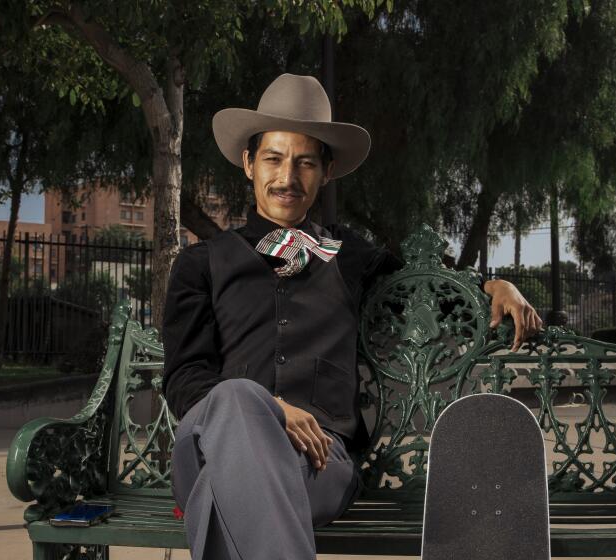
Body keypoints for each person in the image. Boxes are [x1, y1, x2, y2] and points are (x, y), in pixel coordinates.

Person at [162, 73, 542, 560]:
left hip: (319, 460)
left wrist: (494, 284)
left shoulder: (351, 258)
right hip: (210, 446)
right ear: (249, 164)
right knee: (237, 397)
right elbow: (184, 379)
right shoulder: (201, 263)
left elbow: (433, 289)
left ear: (326, 171)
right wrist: (269, 408)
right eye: (274, 160)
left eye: (304, 163)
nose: (287, 178)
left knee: (233, 490)